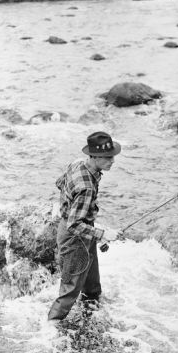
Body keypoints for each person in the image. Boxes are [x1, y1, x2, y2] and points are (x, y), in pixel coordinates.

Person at [47, 131, 121, 321]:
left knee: (92, 284)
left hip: (80, 230)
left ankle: (91, 310)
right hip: (75, 237)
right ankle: (51, 328)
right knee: (69, 290)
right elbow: (74, 225)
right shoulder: (86, 187)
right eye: (107, 157)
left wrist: (65, 205)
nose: (112, 160)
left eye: (112, 156)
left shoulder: (77, 164)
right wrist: (102, 234)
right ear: (94, 156)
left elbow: (59, 183)